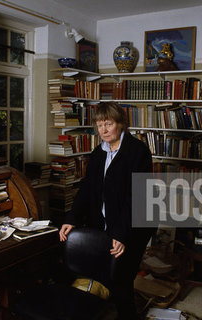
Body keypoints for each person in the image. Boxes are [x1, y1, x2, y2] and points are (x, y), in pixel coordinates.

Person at [59, 101, 154, 320]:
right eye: (99, 125)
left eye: (108, 124)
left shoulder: (137, 152)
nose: (103, 130)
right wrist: (72, 218)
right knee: (103, 274)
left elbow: (137, 197)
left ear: (121, 124)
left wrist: (121, 235)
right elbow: (86, 189)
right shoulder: (98, 153)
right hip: (103, 223)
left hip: (133, 226)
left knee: (121, 279)